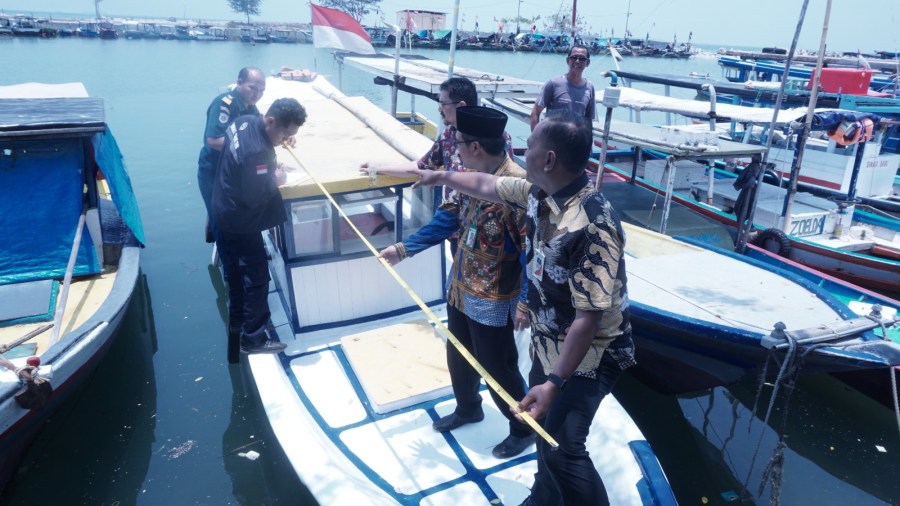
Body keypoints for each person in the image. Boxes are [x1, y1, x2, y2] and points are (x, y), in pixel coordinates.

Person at [405, 111, 636, 506]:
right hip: (550, 344)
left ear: (549, 159)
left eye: (529, 146)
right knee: (544, 432)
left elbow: (588, 319)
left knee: (564, 448)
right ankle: (541, 499)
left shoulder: (593, 224)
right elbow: (485, 184)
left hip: (591, 355)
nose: (521, 152)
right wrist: (439, 176)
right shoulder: (537, 193)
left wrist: (554, 383)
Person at [377, 106, 534, 458]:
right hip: (460, 286)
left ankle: (523, 429)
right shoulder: (466, 177)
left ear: (475, 146)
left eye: (458, 142)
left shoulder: (517, 187)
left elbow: (531, 252)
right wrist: (403, 249)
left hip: (493, 298)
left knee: (498, 366)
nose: (454, 147)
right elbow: (447, 219)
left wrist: (525, 301)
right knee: (458, 355)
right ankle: (468, 407)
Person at [212, 98, 307, 358]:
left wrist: (270, 161)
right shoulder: (256, 153)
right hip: (239, 221)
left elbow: (244, 166)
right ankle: (252, 339)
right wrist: (275, 178)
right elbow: (254, 198)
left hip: (222, 207)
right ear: (271, 120)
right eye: (285, 134)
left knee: (236, 275)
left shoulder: (244, 121)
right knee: (256, 278)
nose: (285, 139)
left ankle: (238, 323)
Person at [198, 67, 266, 240]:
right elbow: (214, 140)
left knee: (233, 218)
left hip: (232, 173)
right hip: (213, 172)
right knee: (220, 221)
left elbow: (260, 129)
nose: (257, 94)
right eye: (253, 88)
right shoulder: (224, 104)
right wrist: (248, 151)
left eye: (261, 90)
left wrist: (283, 135)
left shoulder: (251, 107)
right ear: (239, 83)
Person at [529, 45, 596, 131]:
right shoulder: (553, 84)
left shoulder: (590, 88)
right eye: (574, 58)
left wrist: (588, 138)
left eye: (582, 59)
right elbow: (535, 112)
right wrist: (536, 138)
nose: (577, 61)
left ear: (588, 63)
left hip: (576, 138)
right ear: (568, 60)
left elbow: (588, 120)